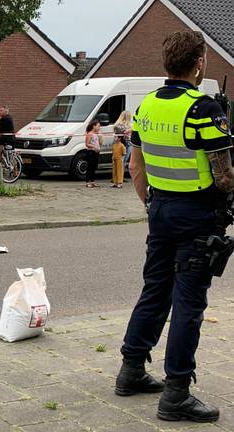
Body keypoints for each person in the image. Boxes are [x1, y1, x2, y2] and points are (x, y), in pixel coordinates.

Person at [116, 29, 234, 424]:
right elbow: (224, 177)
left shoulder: (146, 106)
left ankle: (131, 370)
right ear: (198, 63)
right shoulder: (204, 108)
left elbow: (135, 165)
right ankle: (177, 393)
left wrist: (152, 203)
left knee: (155, 289)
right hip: (197, 214)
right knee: (188, 303)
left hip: (160, 208)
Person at [112, 111, 132, 188]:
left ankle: (118, 178)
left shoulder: (117, 125)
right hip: (125, 144)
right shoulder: (128, 126)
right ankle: (119, 179)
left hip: (119, 144)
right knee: (122, 161)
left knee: (119, 162)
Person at [84, 120, 102, 188]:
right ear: (93, 126)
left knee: (94, 167)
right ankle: (87, 181)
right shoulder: (90, 134)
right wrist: (94, 146)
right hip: (91, 152)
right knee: (90, 167)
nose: (99, 127)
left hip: (96, 152)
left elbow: (99, 142)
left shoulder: (96, 134)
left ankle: (92, 181)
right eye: (98, 126)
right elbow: (87, 144)